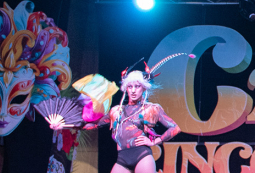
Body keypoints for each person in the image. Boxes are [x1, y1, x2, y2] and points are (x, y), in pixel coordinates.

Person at [50, 69, 180, 173]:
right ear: (125, 88)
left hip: (142, 156)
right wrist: (63, 126)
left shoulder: (150, 109)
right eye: (130, 86)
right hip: (122, 159)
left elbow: (175, 127)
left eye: (137, 86)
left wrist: (154, 141)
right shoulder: (117, 111)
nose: (133, 90)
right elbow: (93, 124)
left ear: (143, 88)